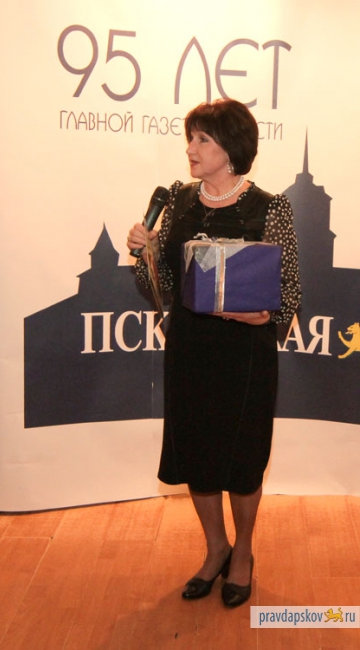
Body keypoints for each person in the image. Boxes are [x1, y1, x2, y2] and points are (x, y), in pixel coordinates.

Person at [126, 98, 300, 608]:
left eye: (203, 139)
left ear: (231, 148)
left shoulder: (271, 207)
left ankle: (242, 551)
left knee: (243, 462)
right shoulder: (178, 201)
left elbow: (289, 290)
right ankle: (216, 547)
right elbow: (156, 285)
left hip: (245, 355)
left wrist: (262, 317)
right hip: (190, 349)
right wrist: (144, 252)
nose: (191, 147)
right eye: (191, 137)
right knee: (198, 456)